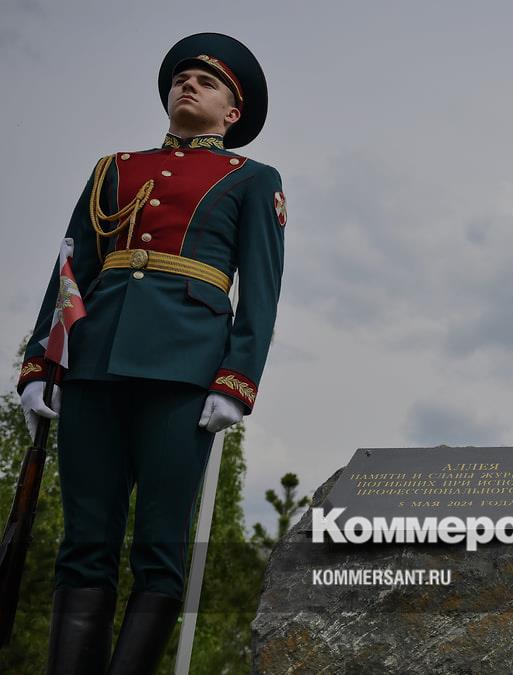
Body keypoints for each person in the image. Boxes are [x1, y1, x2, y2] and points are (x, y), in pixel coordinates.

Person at [17, 32, 284, 673]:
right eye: (180, 79)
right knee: (83, 543)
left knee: (160, 548)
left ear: (232, 113)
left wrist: (237, 379)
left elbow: (262, 288)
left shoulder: (253, 179)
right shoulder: (113, 169)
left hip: (185, 368)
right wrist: (39, 363)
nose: (187, 85)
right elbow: (71, 268)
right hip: (93, 359)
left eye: (206, 82)